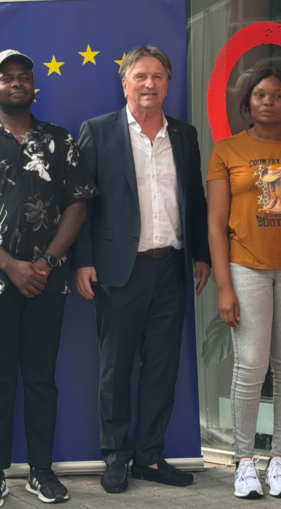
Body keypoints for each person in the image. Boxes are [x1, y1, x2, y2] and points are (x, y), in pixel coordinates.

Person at [0, 50, 95, 508]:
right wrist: (10, 265)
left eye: (23, 77)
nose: (15, 83)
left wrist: (47, 262)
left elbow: (79, 204)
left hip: (49, 280)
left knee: (41, 377)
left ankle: (41, 471)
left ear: (33, 85)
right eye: (5, 78)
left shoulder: (59, 140)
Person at [70, 45, 210, 494]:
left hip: (170, 266)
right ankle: (115, 457)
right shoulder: (98, 131)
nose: (149, 83)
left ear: (168, 83)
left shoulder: (184, 136)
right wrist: (84, 260)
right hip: (117, 270)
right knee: (115, 368)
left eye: (157, 76)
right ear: (125, 82)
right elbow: (82, 204)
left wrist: (201, 254)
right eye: (140, 76)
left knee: (161, 367)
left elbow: (196, 200)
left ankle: (149, 457)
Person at [206, 67, 281, 499]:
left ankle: (279, 459)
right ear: (247, 103)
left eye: (277, 96)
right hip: (247, 268)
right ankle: (244, 461)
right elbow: (216, 226)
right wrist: (224, 286)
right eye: (260, 95)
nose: (268, 102)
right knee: (250, 366)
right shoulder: (226, 151)